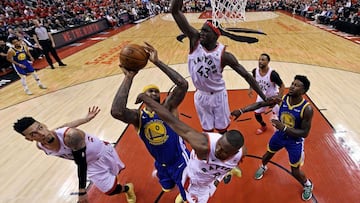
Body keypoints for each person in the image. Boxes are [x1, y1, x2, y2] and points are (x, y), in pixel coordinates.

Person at [170, 0, 267, 133]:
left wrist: (264, 97)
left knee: (222, 130)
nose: (201, 33)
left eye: (205, 31)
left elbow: (247, 76)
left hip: (218, 96)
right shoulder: (195, 42)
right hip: (201, 95)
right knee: (207, 131)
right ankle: (212, 152)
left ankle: (224, 150)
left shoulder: (224, 56)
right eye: (201, 30)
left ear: (215, 35)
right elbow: (175, 11)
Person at [111, 42, 190, 202]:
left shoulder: (168, 107)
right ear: (143, 96)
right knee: (167, 188)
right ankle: (181, 190)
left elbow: (183, 84)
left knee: (189, 193)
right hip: (161, 163)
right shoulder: (138, 117)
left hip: (180, 159)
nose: (154, 93)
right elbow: (117, 111)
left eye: (156, 91)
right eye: (150, 91)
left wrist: (157, 62)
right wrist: (128, 77)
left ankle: (185, 194)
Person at [135, 92, 246, 203]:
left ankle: (227, 172)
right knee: (206, 183)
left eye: (224, 151)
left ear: (235, 152)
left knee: (211, 182)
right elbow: (170, 120)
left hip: (206, 181)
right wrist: (146, 99)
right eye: (219, 145)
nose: (217, 150)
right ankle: (225, 173)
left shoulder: (241, 152)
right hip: (194, 180)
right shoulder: (202, 145)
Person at [13, 106, 136, 203]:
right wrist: (85, 119)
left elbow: (80, 163)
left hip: (103, 153)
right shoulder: (40, 146)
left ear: (44, 125)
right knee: (110, 191)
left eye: (40, 127)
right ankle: (128, 188)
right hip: (91, 165)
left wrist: (82, 191)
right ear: (29, 139)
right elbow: (62, 127)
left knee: (116, 174)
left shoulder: (71, 136)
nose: (42, 134)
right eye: (34, 134)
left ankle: (113, 176)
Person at [231, 75, 314, 201]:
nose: (292, 86)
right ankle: (264, 166)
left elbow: (304, 133)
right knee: (266, 156)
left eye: (296, 85)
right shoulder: (281, 99)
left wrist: (284, 128)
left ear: (303, 91)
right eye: (292, 83)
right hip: (280, 135)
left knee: (295, 171)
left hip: (294, 141)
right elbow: (260, 104)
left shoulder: (306, 109)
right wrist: (241, 110)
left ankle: (308, 184)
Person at [248, 53, 285, 135]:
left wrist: (278, 98)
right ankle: (263, 125)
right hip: (262, 96)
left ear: (268, 62)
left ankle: (283, 130)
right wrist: (250, 88)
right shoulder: (255, 71)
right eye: (259, 59)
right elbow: (252, 80)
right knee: (256, 114)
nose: (260, 61)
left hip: (273, 96)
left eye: (263, 60)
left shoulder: (273, 74)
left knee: (280, 115)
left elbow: (282, 86)